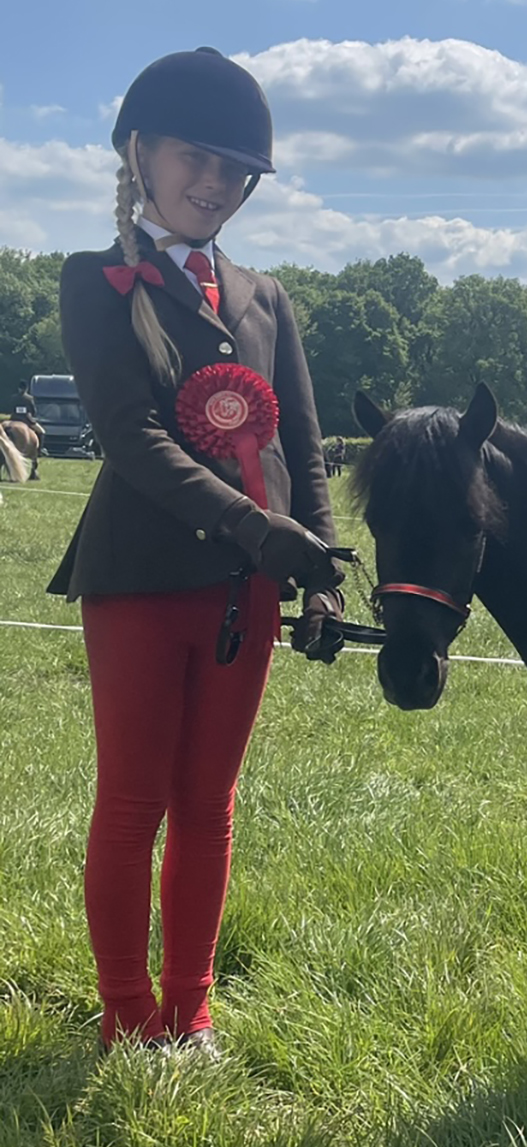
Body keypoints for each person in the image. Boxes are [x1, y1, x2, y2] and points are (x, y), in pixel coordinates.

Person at [48, 47, 345, 1054]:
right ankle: (128, 1015)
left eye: (235, 170)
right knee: (133, 799)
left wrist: (321, 567)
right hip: (135, 579)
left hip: (247, 589)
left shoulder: (265, 297)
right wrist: (256, 528)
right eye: (196, 158)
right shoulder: (96, 280)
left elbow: (300, 444)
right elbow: (131, 436)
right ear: (141, 151)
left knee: (209, 806)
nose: (216, 183)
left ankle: (193, 1008)